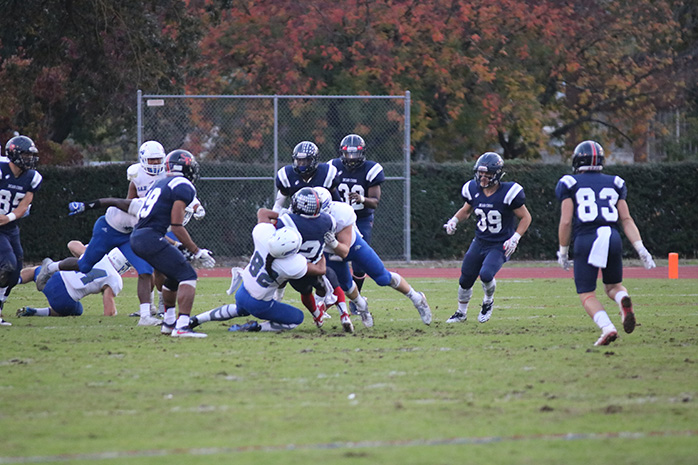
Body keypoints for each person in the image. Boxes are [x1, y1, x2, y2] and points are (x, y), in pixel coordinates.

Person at [555, 140, 656, 346]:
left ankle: (608, 328)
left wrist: (563, 251)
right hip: (613, 238)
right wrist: (641, 248)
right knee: (613, 286)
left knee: (586, 293)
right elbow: (626, 220)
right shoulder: (615, 182)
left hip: (587, 238)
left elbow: (566, 221)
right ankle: (622, 300)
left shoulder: (569, 183)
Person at [34, 195, 164, 326]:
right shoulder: (140, 206)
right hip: (108, 230)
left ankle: (145, 316)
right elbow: (112, 201)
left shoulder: (160, 217)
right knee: (84, 265)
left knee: (145, 270)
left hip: (127, 237)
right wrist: (85, 205)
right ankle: (51, 268)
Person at [315, 187, 432, 326]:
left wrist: (333, 242)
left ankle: (417, 298)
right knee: (346, 286)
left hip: (352, 246)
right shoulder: (303, 215)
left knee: (383, 277)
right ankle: (362, 306)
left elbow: (344, 250)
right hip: (330, 251)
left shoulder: (341, 212)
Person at [129, 149, 215, 338]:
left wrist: (181, 247)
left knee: (174, 276)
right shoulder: (183, 186)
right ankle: (182, 326)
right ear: (186, 167)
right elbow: (176, 226)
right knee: (188, 275)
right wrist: (196, 250)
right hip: (151, 237)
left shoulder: (160, 183)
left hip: (141, 236)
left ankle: (168, 323)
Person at [190, 220, 327, 333]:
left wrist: (277, 216)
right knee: (297, 318)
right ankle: (256, 328)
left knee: (238, 309)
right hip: (259, 304)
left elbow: (263, 214)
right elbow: (321, 270)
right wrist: (321, 251)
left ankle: (196, 319)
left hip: (242, 292)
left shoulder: (262, 236)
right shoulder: (291, 265)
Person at [443, 152, 532, 324]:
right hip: (480, 241)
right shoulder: (473, 190)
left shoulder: (509, 192)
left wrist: (515, 237)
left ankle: (488, 301)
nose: (483, 178)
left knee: (486, 274)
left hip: (500, 243)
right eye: (481, 173)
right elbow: (466, 210)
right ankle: (461, 313)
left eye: (488, 174)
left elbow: (526, 217)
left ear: (497, 174)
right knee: (465, 278)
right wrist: (454, 220)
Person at [260, 187, 341, 328]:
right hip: (313, 263)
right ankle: (320, 312)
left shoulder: (287, 219)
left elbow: (269, 224)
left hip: (292, 262)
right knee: (319, 280)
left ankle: (277, 306)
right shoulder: (329, 221)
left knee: (281, 283)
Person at [329, 134, 385, 293]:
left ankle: (356, 298)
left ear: (363, 153)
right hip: (336, 219)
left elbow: (375, 202)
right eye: (348, 153)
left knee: (359, 262)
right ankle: (330, 297)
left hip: (361, 218)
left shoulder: (371, 169)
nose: (352, 158)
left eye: (355, 153)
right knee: (330, 257)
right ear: (342, 152)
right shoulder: (332, 167)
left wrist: (362, 199)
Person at [0, 135, 42, 326]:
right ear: (14, 153)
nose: (29, 159)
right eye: (25, 154)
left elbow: (24, 205)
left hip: (9, 226)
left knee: (15, 270)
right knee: (7, 263)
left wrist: (7, 218)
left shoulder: (32, 177)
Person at [15, 248, 130, 317]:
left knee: (34, 271)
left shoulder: (96, 253)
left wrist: (83, 255)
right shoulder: (114, 278)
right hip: (65, 301)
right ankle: (36, 312)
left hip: (54, 279)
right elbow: (108, 311)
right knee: (77, 310)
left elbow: (72, 244)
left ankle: (12, 281)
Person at [272, 141, 337, 212]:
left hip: (321, 215)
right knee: (283, 212)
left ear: (314, 160)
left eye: (306, 160)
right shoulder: (286, 175)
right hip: (297, 215)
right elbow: (278, 206)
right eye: (299, 160)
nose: (302, 164)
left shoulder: (326, 174)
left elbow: (337, 203)